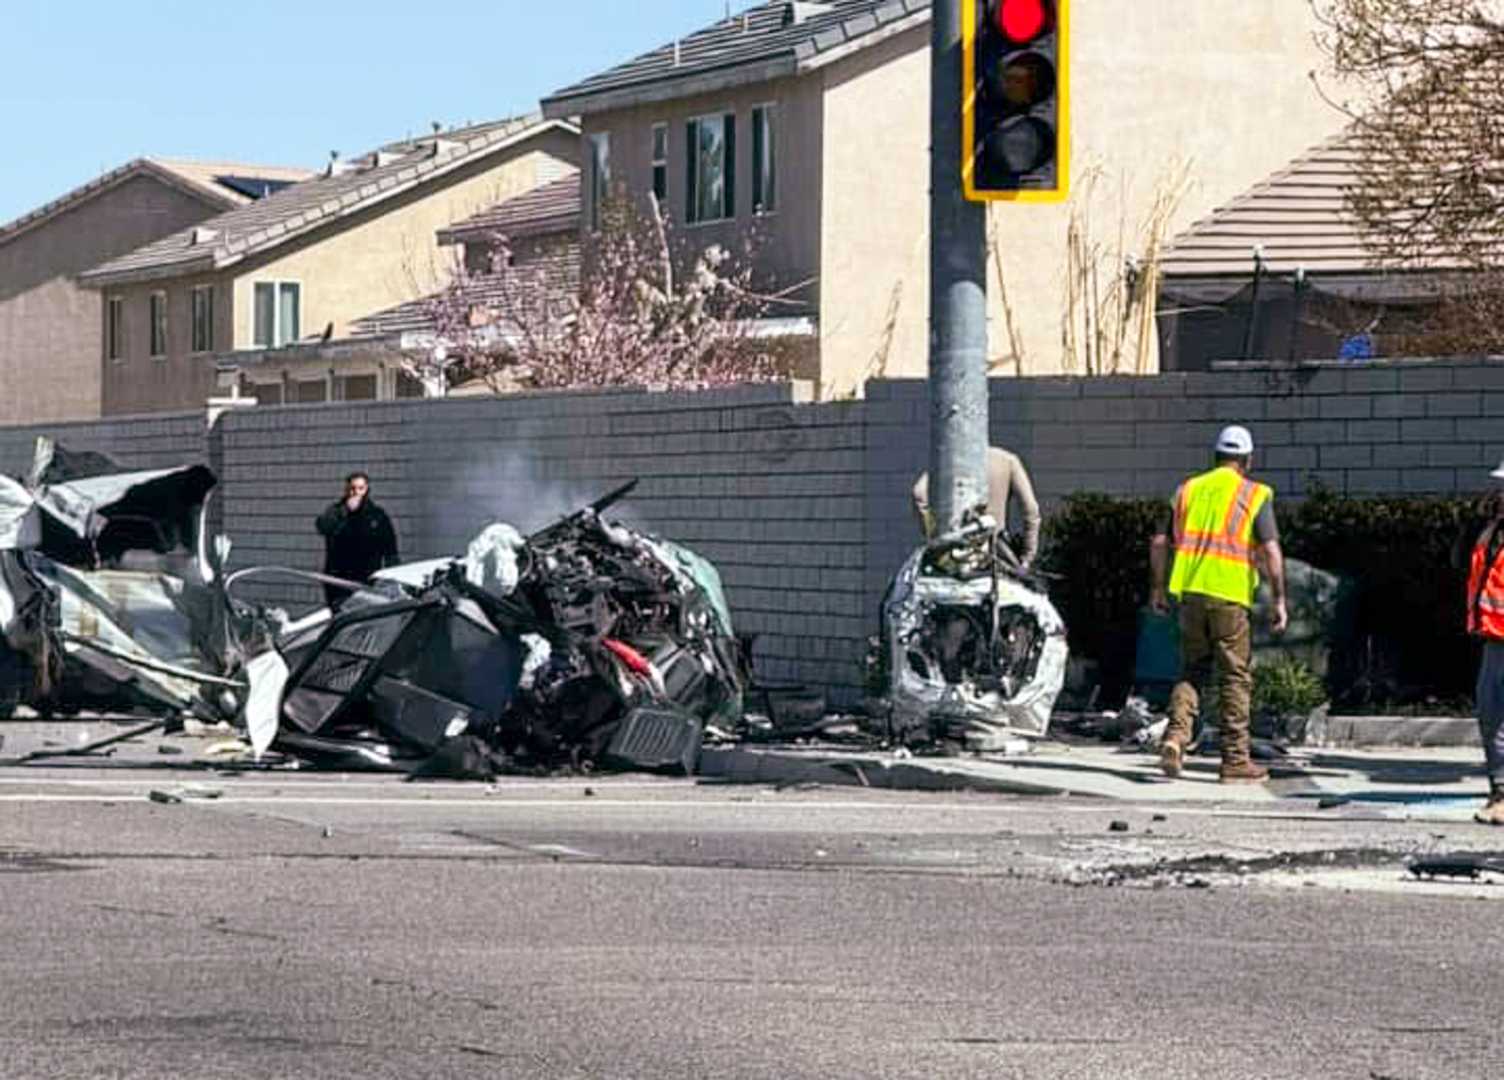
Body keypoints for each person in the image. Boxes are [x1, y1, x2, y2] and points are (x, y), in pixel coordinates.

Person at [1148, 425, 1288, 784]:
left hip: (1191, 592)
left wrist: (1159, 589)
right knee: (1234, 678)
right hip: (1229, 597)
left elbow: (1160, 542)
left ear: (1215, 457)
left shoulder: (1187, 490)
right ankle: (1235, 761)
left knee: (1192, 669)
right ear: (1247, 460)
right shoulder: (1254, 494)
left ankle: (1176, 737)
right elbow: (1271, 549)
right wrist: (1279, 599)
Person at [1457, 465, 1504, 825]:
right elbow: (1460, 561)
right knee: (1491, 716)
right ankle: (1500, 791)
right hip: (1494, 636)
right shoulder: (1492, 531)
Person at [912, 445, 1042, 569]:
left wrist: (933, 533)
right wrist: (1027, 558)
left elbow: (919, 493)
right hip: (994, 552)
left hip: (953, 551)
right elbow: (1031, 511)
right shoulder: (1006, 461)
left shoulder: (953, 459)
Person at [315, 471, 399, 609]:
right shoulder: (336, 512)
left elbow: (390, 549)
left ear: (367, 490)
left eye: (360, 488)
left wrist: (392, 577)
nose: (356, 493)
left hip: (367, 579)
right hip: (339, 581)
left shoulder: (376, 516)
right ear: (346, 490)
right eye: (352, 489)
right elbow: (323, 526)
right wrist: (344, 511)